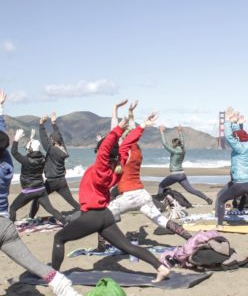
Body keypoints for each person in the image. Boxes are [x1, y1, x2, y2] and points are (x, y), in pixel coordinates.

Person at [51, 111, 170, 282]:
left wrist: (119, 129)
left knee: (59, 238)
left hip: (92, 216)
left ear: (103, 154)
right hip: (105, 215)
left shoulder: (101, 169)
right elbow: (126, 145)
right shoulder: (118, 165)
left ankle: (53, 276)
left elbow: (106, 147)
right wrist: (142, 126)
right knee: (127, 246)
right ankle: (160, 267)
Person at [0, 89, 81, 296]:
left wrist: (37, 129)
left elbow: (30, 147)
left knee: (29, 203)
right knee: (50, 205)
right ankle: (64, 287)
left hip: (41, 187)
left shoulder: (32, 157)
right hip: (9, 221)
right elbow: (13, 150)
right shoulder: (10, 166)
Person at [94, 101, 191, 252]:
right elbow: (134, 131)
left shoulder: (122, 151)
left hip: (128, 197)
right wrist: (131, 113)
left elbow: (114, 129)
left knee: (102, 218)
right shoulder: (138, 152)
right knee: (161, 220)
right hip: (143, 195)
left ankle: (101, 247)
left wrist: (115, 108)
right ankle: (190, 238)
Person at [9, 128, 66, 224]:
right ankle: (65, 222)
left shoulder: (26, 160)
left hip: (29, 191)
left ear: (30, 149)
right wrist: (32, 138)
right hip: (40, 189)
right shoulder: (43, 158)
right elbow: (34, 149)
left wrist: (16, 139)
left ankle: (10, 227)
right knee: (50, 209)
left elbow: (14, 152)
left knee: (13, 208)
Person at [29, 112, 80, 218]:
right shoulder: (63, 149)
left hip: (51, 182)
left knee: (38, 198)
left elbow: (43, 140)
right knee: (71, 200)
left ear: (52, 141)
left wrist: (41, 124)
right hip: (61, 181)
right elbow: (59, 135)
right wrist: (53, 123)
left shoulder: (52, 150)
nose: (50, 140)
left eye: (51, 139)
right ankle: (84, 212)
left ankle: (31, 217)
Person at [158, 124, 213, 205]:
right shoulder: (183, 150)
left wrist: (161, 132)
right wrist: (180, 132)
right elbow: (182, 142)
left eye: (173, 144)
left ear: (174, 144)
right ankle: (207, 198)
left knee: (161, 186)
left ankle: (159, 202)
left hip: (175, 175)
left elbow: (164, 143)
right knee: (191, 190)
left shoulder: (174, 151)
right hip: (182, 174)